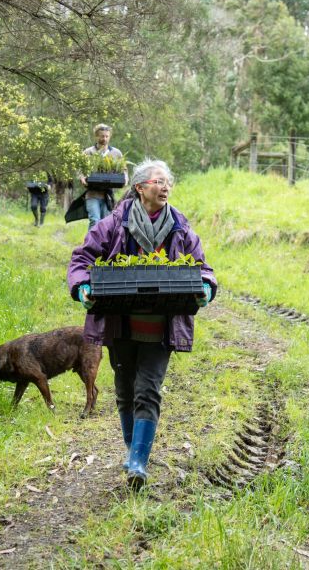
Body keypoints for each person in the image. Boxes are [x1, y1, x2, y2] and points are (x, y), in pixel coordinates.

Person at [67, 159, 217, 490]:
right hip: (121, 324)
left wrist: (206, 285)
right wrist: (84, 287)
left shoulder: (180, 226)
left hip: (160, 326)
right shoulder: (112, 224)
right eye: (158, 181)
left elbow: (203, 266)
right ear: (139, 188)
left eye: (168, 182)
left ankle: (138, 462)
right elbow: (82, 259)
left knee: (148, 389)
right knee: (125, 389)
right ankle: (132, 448)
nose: (165, 187)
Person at [80, 123, 127, 229]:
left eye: (107, 136)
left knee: (106, 223)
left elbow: (123, 169)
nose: (104, 139)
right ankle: (90, 245)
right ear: (96, 136)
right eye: (102, 136)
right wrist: (82, 177)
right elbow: (80, 169)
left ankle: (103, 245)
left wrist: (125, 179)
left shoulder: (116, 153)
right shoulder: (88, 152)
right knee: (94, 221)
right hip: (92, 193)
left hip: (108, 196)